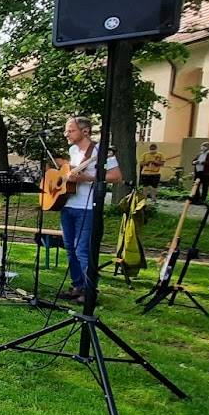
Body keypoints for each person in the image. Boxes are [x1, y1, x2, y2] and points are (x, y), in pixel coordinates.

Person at [59, 116, 122, 304]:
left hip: (86, 208)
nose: (66, 134)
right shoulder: (72, 150)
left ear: (85, 131)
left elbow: (116, 176)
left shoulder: (100, 151)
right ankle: (77, 286)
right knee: (70, 249)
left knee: (82, 251)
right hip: (68, 204)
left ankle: (89, 291)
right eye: (66, 130)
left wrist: (85, 178)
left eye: (70, 130)